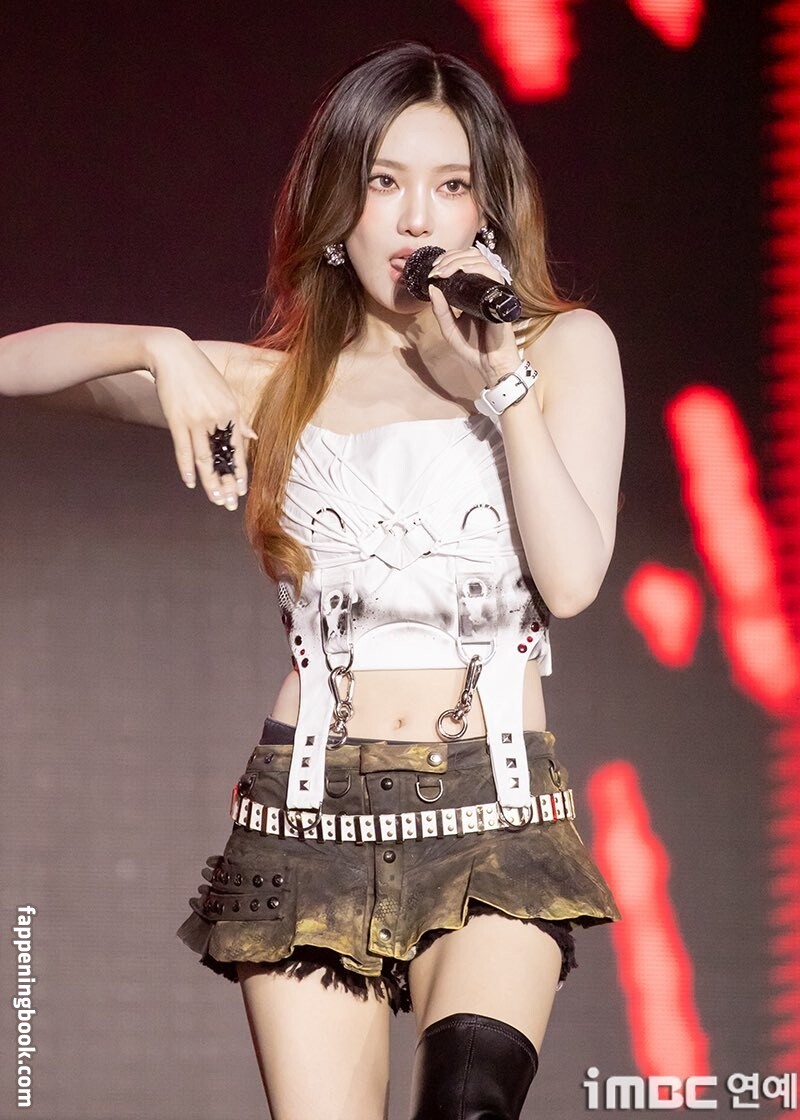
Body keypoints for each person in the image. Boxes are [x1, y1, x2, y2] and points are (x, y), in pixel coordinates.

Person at [0, 40, 625, 1120]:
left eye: (449, 185)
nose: (416, 219)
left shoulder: (562, 350)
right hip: (308, 815)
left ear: (486, 208)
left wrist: (501, 378)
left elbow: (569, 580)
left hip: (494, 802)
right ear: (339, 208)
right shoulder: (270, 385)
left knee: (470, 1100)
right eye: (384, 182)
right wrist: (160, 346)